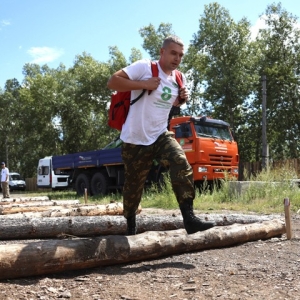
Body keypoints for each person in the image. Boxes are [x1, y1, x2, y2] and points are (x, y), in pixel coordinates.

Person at [107, 35, 214, 235]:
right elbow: (113, 82)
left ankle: (189, 218)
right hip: (134, 139)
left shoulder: (178, 78)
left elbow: (166, 105)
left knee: (181, 163)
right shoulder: (144, 68)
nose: (177, 58)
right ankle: (130, 225)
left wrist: (180, 101)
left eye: (181, 55)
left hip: (160, 135)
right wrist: (144, 84)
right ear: (162, 52)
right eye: (173, 53)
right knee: (133, 187)